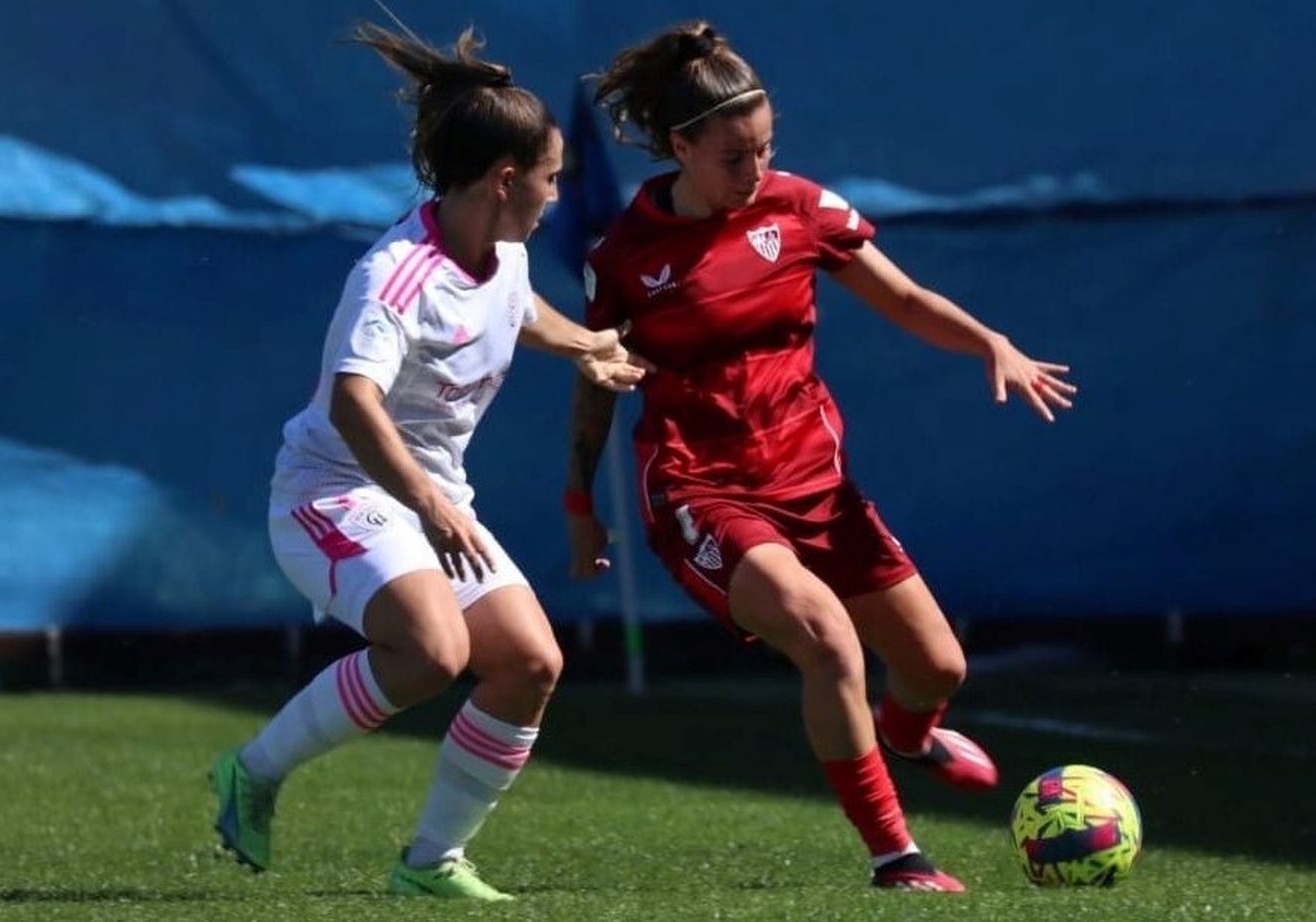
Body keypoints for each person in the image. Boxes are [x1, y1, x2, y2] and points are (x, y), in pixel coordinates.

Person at [567, 22, 1077, 892]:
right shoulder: (623, 257)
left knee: (936, 666)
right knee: (828, 642)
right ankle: (896, 855)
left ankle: (908, 736)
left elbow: (906, 297)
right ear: (680, 146)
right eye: (733, 156)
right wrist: (582, 503)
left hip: (814, 481)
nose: (754, 171)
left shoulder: (799, 208)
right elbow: (595, 383)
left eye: (765, 149)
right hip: (701, 488)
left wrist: (989, 341)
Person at [209, 19, 646, 902]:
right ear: (504, 179)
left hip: (426, 499)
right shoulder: (395, 275)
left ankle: (429, 864)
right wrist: (434, 505)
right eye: (552, 179)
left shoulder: (504, 253)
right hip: (331, 497)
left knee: (531, 663)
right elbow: (351, 400)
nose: (558, 197)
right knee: (435, 650)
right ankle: (251, 769)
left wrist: (588, 345)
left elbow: (521, 311)